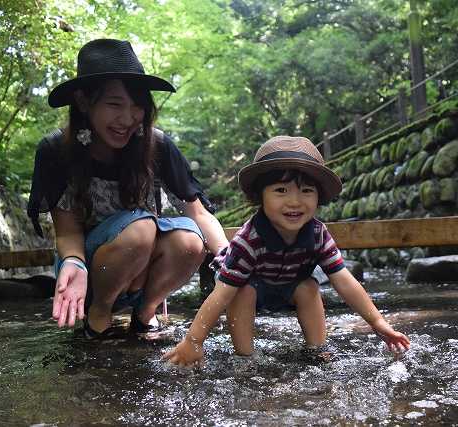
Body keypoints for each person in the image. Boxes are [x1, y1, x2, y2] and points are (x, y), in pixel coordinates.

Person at [27, 38, 228, 338]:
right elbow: (67, 232)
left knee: (189, 241)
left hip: (146, 269)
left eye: (137, 106)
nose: (127, 118)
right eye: (114, 104)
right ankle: (98, 318)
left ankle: (145, 313)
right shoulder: (57, 150)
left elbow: (197, 213)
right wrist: (73, 262)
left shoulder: (156, 144)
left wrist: (229, 257)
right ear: (83, 102)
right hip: (87, 271)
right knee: (140, 229)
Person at [163, 136, 410, 366]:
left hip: (289, 286)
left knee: (309, 286)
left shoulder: (317, 234)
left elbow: (344, 280)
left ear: (318, 197)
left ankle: (317, 349)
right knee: (241, 291)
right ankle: (246, 357)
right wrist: (193, 341)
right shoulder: (249, 240)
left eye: (306, 191)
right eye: (281, 190)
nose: (294, 201)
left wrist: (378, 323)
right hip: (249, 287)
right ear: (260, 196)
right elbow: (221, 295)